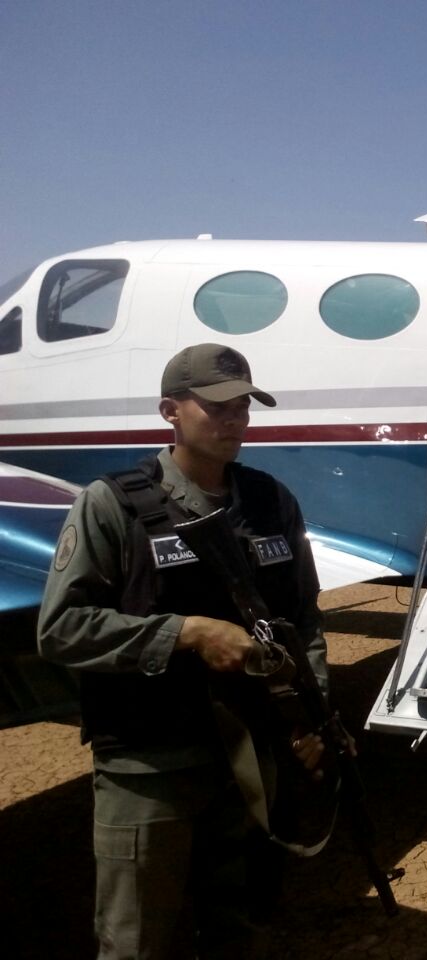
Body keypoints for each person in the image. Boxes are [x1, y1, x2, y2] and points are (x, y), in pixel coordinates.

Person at [38, 343, 329, 959]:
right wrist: (185, 633)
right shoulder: (112, 504)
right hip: (151, 766)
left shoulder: (272, 502)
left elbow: (304, 620)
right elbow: (61, 628)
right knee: (136, 939)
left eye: (244, 407)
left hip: (251, 759)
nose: (234, 421)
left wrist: (314, 716)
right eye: (217, 407)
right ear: (170, 411)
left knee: (242, 927)